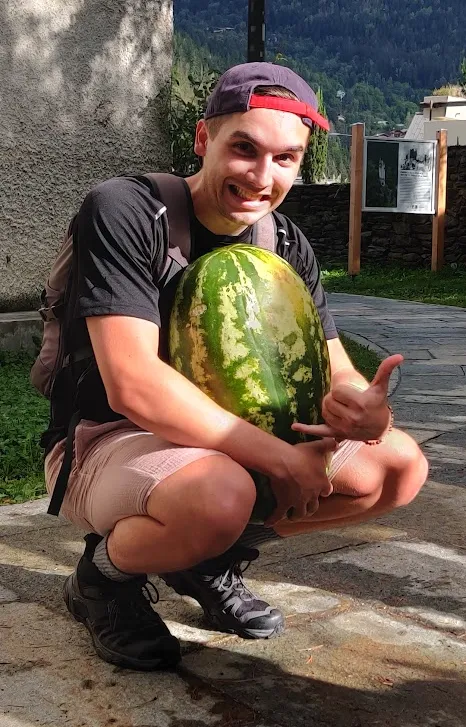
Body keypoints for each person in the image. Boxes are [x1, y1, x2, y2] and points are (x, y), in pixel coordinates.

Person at [43, 62, 428, 671]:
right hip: (108, 439)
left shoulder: (284, 243)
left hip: (233, 449)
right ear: (204, 141)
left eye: (286, 158)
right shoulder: (124, 210)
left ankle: (200, 558)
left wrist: (363, 405)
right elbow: (134, 383)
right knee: (222, 495)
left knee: (397, 468)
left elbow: (335, 369)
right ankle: (104, 577)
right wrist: (280, 460)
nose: (261, 176)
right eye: (244, 148)